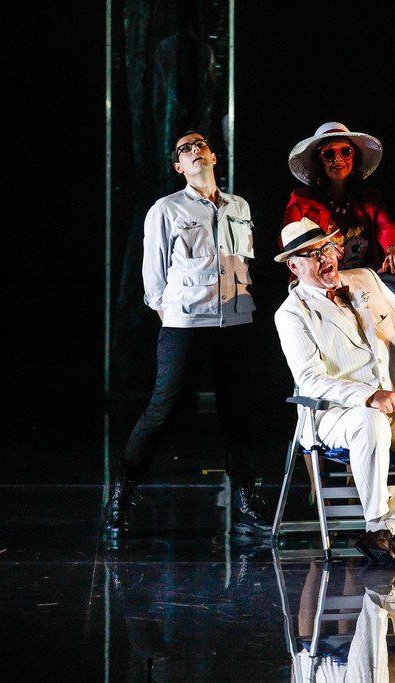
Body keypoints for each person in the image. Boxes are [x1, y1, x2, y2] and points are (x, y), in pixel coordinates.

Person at [102, 130, 269, 540]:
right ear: (179, 166)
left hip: (235, 323)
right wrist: (172, 314)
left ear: (213, 156)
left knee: (238, 412)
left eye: (200, 145)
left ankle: (245, 498)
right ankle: (122, 491)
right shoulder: (166, 209)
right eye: (185, 149)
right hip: (186, 324)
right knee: (163, 409)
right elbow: (154, 276)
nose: (195, 151)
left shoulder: (239, 206)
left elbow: (245, 261)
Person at [274, 217, 395, 564]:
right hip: (334, 415)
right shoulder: (292, 313)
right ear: (294, 267)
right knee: (369, 420)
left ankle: (384, 530)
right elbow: (310, 379)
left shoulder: (365, 279)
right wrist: (367, 396)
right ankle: (377, 524)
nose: (325, 257)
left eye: (327, 248)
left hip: (394, 407)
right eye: (312, 254)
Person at [284, 121, 395, 281]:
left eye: (345, 152)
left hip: (363, 283)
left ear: (354, 158)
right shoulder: (302, 199)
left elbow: (386, 225)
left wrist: (392, 247)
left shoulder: (368, 197)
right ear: (318, 162)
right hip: (319, 283)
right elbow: (289, 238)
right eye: (329, 154)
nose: (338, 158)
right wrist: (322, 247)